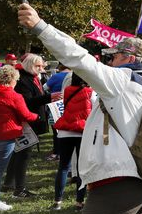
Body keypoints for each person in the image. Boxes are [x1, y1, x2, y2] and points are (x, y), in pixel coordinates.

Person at [17, 3, 142, 214]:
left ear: (129, 58)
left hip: (118, 185)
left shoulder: (122, 79)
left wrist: (40, 27)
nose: (110, 63)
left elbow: (79, 58)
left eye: (114, 57)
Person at [4, 53, 58, 198]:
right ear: (29, 65)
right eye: (38, 65)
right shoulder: (23, 79)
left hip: (33, 120)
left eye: (42, 65)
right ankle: (19, 189)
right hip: (27, 122)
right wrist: (48, 97)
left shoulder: (33, 77)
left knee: (18, 153)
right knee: (23, 155)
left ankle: (9, 184)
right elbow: (27, 102)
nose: (41, 68)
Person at [0, 65, 39, 212]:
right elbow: (26, 115)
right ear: (12, 79)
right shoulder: (13, 95)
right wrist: (38, 116)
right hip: (5, 135)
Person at [51, 73, 93, 211]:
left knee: (63, 167)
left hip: (66, 131)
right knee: (82, 169)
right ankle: (79, 202)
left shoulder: (67, 90)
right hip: (83, 132)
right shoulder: (90, 92)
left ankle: (57, 201)